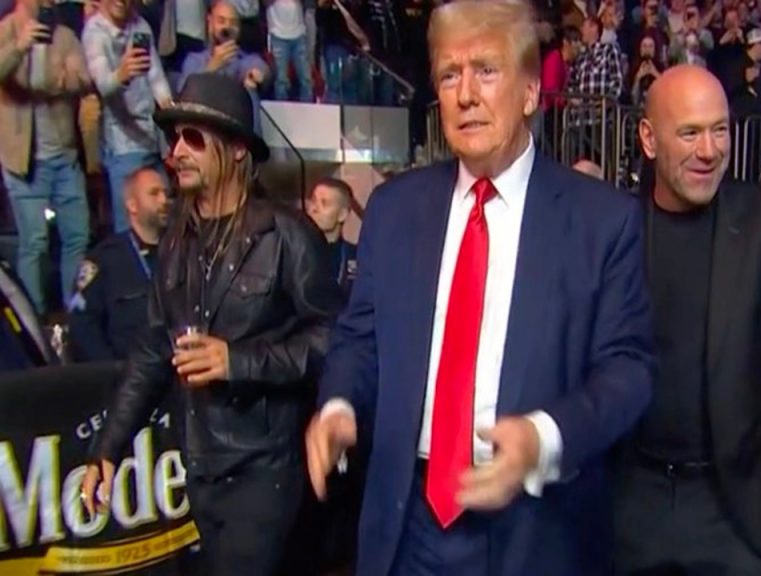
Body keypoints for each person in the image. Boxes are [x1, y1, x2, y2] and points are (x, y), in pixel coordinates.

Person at [305, 1, 654, 574]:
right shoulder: (394, 210)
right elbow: (360, 337)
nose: (465, 94)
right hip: (408, 524)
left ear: (530, 92)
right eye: (449, 75)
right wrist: (341, 405)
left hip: (534, 528)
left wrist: (542, 438)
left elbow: (629, 370)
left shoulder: (602, 221)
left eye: (486, 70)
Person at [81, 73, 340, 576]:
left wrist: (237, 361)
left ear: (238, 149)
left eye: (193, 138)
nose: (177, 151)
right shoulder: (176, 242)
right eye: (174, 138)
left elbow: (333, 337)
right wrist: (108, 448)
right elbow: (153, 350)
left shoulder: (286, 234)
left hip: (265, 468)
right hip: (201, 466)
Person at [617, 65, 761, 576]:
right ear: (649, 139)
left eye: (719, 130)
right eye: (690, 133)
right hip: (629, 501)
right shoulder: (612, 228)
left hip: (731, 508)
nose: (709, 150)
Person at [0, 0, 94, 313]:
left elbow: (83, 79)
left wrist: (65, 80)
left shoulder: (64, 35)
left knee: (77, 237)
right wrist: (19, 47)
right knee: (34, 244)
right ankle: (34, 320)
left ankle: (75, 316)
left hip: (64, 156)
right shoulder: (5, 31)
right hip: (23, 162)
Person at [82, 0, 172, 233]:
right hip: (123, 145)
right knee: (131, 225)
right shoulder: (95, 32)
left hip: (152, 138)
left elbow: (156, 77)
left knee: (162, 218)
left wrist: (170, 109)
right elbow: (103, 83)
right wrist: (121, 75)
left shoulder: (140, 25)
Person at [68, 166, 169, 361]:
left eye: (166, 193)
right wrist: (113, 371)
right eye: (154, 194)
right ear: (132, 205)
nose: (164, 200)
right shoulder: (103, 260)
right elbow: (82, 327)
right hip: (125, 369)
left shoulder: (182, 252)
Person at [179, 1, 270, 93]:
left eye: (233, 22)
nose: (227, 26)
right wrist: (212, 67)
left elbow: (262, 69)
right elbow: (183, 90)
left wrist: (257, 75)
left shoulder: (246, 59)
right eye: (221, 21)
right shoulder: (194, 59)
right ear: (210, 22)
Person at [305, 177, 358, 307]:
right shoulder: (295, 254)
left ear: (342, 215)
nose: (313, 209)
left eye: (324, 203)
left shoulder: (358, 257)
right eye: (313, 201)